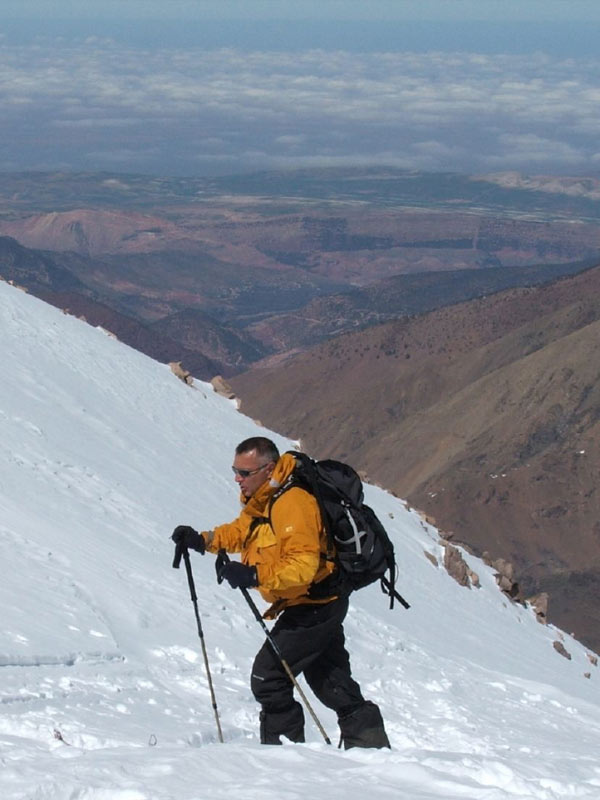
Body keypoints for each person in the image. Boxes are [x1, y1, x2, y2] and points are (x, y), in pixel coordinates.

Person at [171, 436, 390, 748]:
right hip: (315, 601)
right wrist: (202, 540)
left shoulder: (293, 502)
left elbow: (303, 565)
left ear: (268, 468)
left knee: (269, 679)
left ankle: (284, 762)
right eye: (235, 470)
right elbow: (242, 531)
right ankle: (372, 752)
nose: (237, 478)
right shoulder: (266, 496)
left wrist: (253, 575)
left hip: (314, 604)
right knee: (330, 681)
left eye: (244, 473)